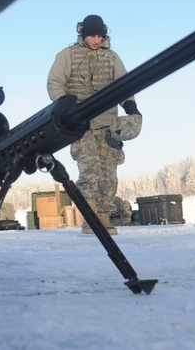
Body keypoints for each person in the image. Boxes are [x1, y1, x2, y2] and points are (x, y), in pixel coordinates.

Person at [47, 15, 141, 235]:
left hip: (109, 126)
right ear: (82, 34)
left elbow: (124, 84)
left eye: (100, 35)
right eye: (92, 35)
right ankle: (89, 219)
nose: (96, 40)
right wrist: (64, 106)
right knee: (90, 171)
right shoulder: (67, 55)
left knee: (109, 174)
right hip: (80, 125)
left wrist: (131, 108)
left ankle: (103, 217)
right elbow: (55, 82)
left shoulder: (111, 57)